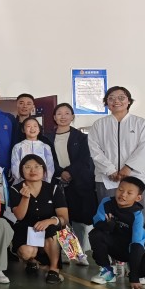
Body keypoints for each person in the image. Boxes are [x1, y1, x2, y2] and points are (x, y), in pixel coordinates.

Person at [89, 177, 145, 289]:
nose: (123, 195)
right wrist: (108, 225)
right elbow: (97, 223)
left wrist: (134, 278)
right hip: (115, 246)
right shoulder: (107, 202)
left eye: (129, 193)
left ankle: (136, 271)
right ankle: (107, 272)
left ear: (138, 198)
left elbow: (137, 245)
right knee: (96, 234)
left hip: (135, 249)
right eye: (120, 190)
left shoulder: (137, 215)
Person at [47, 103, 96, 261]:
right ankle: (70, 252)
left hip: (78, 182)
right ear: (54, 117)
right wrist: (61, 172)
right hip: (57, 181)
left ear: (72, 117)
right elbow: (48, 159)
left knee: (79, 219)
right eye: (59, 113)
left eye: (67, 113)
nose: (63, 116)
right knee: (63, 218)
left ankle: (80, 253)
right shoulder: (47, 138)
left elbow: (84, 159)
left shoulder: (81, 138)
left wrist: (70, 172)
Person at [88, 86, 145, 207]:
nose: (116, 101)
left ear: (129, 101)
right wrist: (109, 170)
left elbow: (143, 149)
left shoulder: (141, 123)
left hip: (135, 177)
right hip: (107, 179)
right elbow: (94, 150)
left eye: (121, 98)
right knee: (107, 214)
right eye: (111, 98)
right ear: (107, 103)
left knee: (135, 214)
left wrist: (128, 168)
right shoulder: (99, 125)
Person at [9, 155, 69, 284]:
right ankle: (33, 260)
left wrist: (49, 221)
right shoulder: (15, 189)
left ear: (44, 170)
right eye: (28, 167)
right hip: (26, 230)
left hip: (50, 231)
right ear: (21, 171)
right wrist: (25, 198)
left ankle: (54, 269)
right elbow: (19, 216)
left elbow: (64, 219)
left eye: (37, 166)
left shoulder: (54, 189)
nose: (33, 170)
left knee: (52, 230)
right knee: (26, 252)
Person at [10, 117, 55, 184]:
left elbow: (50, 166)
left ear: (39, 129)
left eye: (35, 126)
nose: (32, 128)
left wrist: (46, 182)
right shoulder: (18, 147)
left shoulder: (45, 147)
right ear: (23, 130)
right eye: (28, 126)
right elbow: (15, 167)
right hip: (23, 183)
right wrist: (22, 182)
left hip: (41, 183)